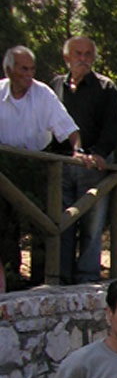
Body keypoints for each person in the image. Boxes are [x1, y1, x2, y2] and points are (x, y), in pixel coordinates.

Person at [0, 45, 86, 287]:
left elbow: (69, 128)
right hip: (4, 166)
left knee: (42, 224)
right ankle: (10, 279)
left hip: (37, 164)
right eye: (23, 69)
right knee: (4, 226)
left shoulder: (43, 94)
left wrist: (78, 150)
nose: (29, 74)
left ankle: (42, 281)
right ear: (9, 70)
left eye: (32, 69)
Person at [51, 36, 117, 284]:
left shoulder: (105, 87)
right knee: (61, 223)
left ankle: (87, 279)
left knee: (92, 225)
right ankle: (59, 277)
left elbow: (113, 126)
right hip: (62, 164)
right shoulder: (55, 85)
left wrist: (98, 153)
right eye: (78, 54)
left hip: (93, 165)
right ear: (67, 57)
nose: (83, 59)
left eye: (88, 54)